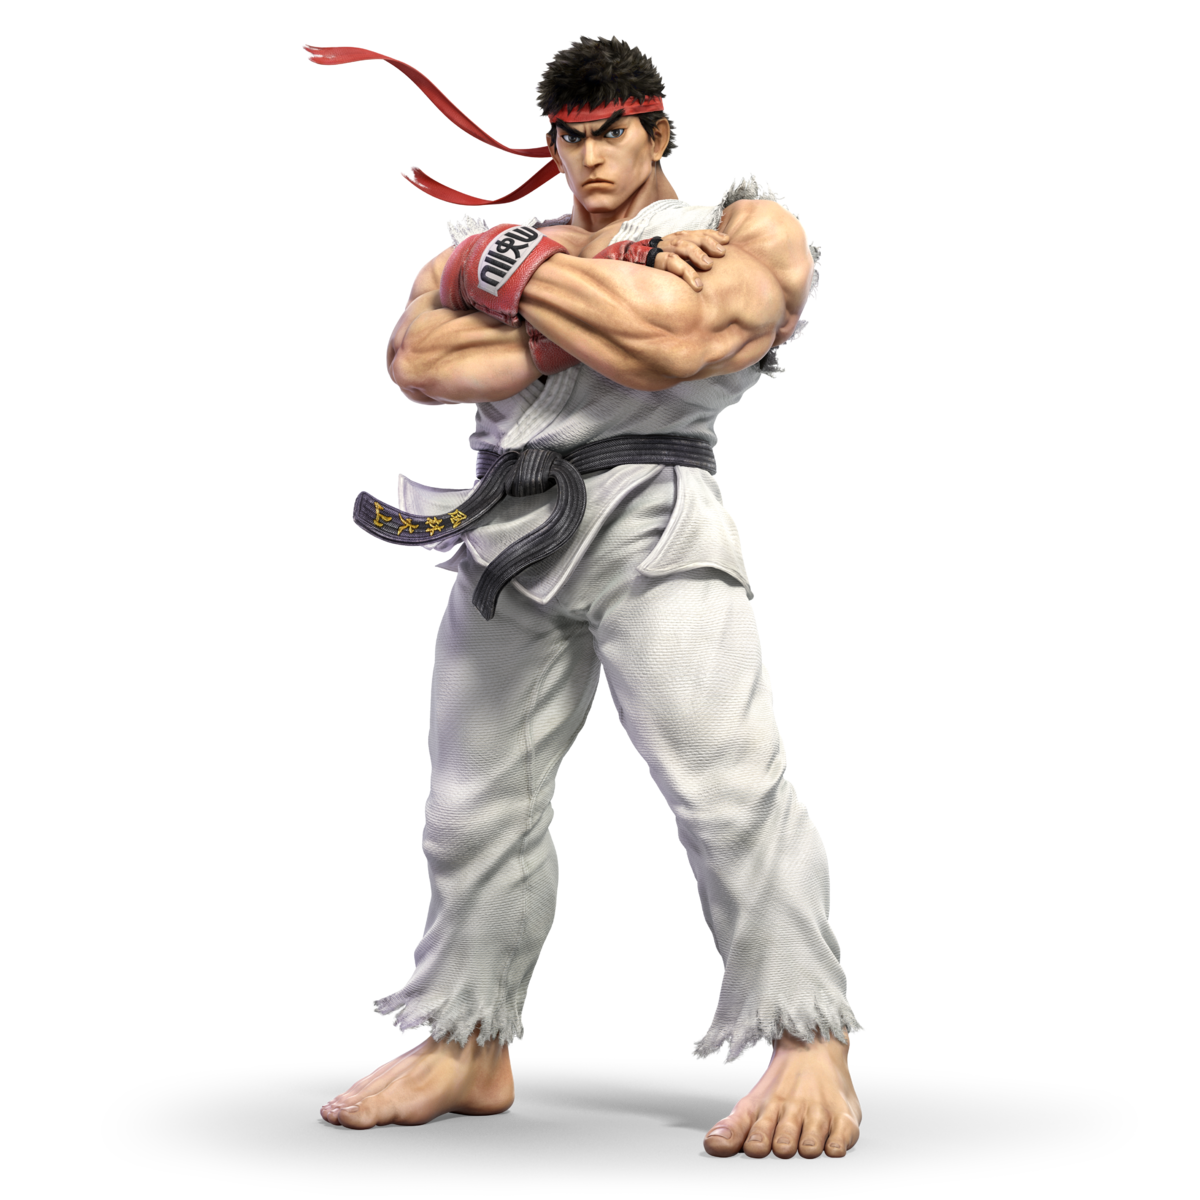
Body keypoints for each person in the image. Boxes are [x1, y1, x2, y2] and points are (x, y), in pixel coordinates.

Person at [307, 34, 865, 1160]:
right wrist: (594, 285)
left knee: (726, 792)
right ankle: (468, 1041)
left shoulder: (742, 224)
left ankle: (810, 1040)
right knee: (469, 806)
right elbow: (419, 362)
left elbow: (684, 341)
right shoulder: (494, 238)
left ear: (656, 131)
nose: (590, 158)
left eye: (612, 133)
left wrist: (506, 282)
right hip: (505, 528)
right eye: (568, 138)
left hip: (655, 516)